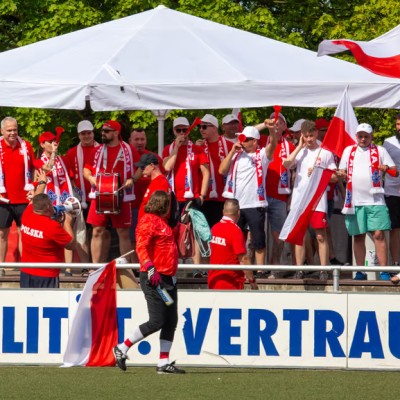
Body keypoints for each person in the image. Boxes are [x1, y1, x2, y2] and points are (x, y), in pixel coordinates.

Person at [113, 191, 185, 374]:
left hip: (168, 278)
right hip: (155, 278)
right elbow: (141, 246)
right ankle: (122, 347)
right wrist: (149, 266)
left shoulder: (163, 223)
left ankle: (163, 362)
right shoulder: (148, 221)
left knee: (170, 321)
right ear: (162, 205)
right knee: (157, 320)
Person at [83, 120, 140, 288]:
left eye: (107, 131)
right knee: (97, 231)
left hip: (122, 194)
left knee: (123, 232)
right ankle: (95, 268)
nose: (103, 133)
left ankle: (125, 269)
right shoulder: (97, 150)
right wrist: (92, 179)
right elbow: (87, 170)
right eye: (103, 131)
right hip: (100, 194)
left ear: (116, 132)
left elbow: (138, 168)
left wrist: (132, 179)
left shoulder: (128, 149)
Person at [338, 123, 396, 280]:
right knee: (358, 236)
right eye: (360, 136)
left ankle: (384, 270)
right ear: (356, 136)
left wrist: (386, 168)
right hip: (354, 201)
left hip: (376, 200)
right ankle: (360, 271)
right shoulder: (348, 151)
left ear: (372, 136)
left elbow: (395, 171)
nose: (363, 139)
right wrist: (341, 173)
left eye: (366, 136)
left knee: (379, 234)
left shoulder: (380, 150)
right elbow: (340, 172)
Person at [283, 120, 337, 280]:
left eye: (311, 136)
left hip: (317, 200)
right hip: (299, 200)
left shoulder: (325, 152)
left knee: (320, 235)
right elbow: (286, 164)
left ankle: (323, 269)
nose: (309, 139)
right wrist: (299, 146)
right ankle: (300, 269)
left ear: (316, 133)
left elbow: (334, 177)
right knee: (299, 235)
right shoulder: (300, 151)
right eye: (306, 136)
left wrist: (320, 171)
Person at [219, 122, 277, 268]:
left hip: (254, 204)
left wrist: (271, 131)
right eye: (241, 139)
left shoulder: (262, 154)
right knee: (235, 240)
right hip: (236, 205)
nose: (242, 142)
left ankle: (260, 271)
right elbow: (222, 170)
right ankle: (237, 269)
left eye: (245, 139)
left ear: (254, 141)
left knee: (258, 241)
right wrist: (231, 152)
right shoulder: (236, 155)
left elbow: (272, 146)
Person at [163, 116, 210, 266]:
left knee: (194, 232)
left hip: (192, 197)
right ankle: (173, 263)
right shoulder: (168, 149)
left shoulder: (197, 150)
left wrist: (202, 195)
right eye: (179, 130)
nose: (182, 133)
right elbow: (167, 167)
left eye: (185, 130)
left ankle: (197, 267)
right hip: (173, 196)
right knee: (172, 231)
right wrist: (176, 148)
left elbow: (206, 172)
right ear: (174, 131)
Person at [256, 112, 295, 274]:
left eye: (280, 122)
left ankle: (274, 268)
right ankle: (254, 269)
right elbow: (247, 133)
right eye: (273, 122)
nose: (276, 124)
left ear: (285, 127)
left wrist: (291, 197)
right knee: (254, 235)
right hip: (259, 195)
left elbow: (294, 174)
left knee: (278, 236)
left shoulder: (290, 146)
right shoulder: (262, 140)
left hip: (280, 196)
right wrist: (265, 125)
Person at [0, 117, 36, 276]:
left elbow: (35, 168)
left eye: (14, 129)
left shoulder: (26, 146)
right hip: (3, 198)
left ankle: (26, 268)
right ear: (2, 131)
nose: (13, 133)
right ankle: (1, 267)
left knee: (25, 234)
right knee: (2, 234)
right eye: (9, 130)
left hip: (24, 198)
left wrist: (34, 188)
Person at [20, 193, 75, 288]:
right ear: (48, 206)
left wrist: (42, 182)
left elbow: (33, 201)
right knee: (47, 303)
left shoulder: (27, 213)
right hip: (46, 276)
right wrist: (67, 223)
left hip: (25, 272)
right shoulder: (52, 226)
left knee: (27, 302)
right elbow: (71, 245)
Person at [65, 120, 99, 272]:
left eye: (89, 133)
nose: (86, 136)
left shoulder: (102, 149)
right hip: (82, 199)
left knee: (99, 232)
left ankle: (98, 264)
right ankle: (86, 267)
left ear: (93, 133)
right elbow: (70, 179)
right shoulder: (72, 153)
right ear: (79, 135)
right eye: (83, 134)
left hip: (99, 198)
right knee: (81, 232)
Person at [208, 199, 258, 290]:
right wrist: (252, 281)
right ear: (238, 213)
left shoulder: (214, 228)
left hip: (213, 280)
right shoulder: (235, 231)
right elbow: (244, 259)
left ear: (223, 211)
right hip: (231, 283)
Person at [195, 114, 233, 228]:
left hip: (224, 197)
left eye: (205, 127)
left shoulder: (229, 145)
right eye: (200, 127)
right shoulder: (198, 148)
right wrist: (195, 150)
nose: (201, 129)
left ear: (215, 127)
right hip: (205, 197)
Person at [383, 115, 400, 283]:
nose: (399, 127)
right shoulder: (388, 142)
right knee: (395, 229)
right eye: (397, 124)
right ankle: (396, 263)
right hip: (392, 191)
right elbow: (382, 165)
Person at [136, 153, 170, 221]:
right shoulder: (156, 181)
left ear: (152, 165)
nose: (141, 170)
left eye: (143, 167)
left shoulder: (160, 183)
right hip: (147, 226)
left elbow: (159, 210)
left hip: (152, 227)